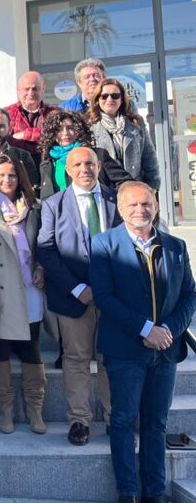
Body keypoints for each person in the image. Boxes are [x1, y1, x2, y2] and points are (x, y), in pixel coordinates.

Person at [91, 181, 196, 503]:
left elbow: (190, 294)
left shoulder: (176, 246)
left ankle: (155, 493)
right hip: (126, 350)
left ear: (157, 206)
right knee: (123, 420)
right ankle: (128, 492)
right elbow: (104, 297)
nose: (141, 210)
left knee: (156, 424)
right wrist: (145, 329)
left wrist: (167, 330)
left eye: (146, 204)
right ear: (121, 210)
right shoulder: (104, 244)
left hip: (166, 349)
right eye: (133, 205)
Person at [37, 146, 121, 446]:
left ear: (99, 166)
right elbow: (46, 250)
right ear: (68, 171)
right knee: (76, 360)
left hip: (115, 299)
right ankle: (80, 421)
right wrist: (77, 288)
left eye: (90, 163)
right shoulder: (53, 204)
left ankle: (116, 418)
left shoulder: (117, 199)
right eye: (78, 165)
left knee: (110, 359)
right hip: (74, 298)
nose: (85, 169)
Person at [0, 155, 47, 435]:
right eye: (1, 175)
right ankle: (5, 408)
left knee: (32, 347)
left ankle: (35, 409)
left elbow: (43, 244)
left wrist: (41, 267)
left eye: (12, 175)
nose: (7, 180)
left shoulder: (33, 206)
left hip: (30, 287)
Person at [38, 110, 129, 199]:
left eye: (70, 128)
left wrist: (110, 201)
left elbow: (126, 181)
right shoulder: (47, 163)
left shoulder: (98, 155)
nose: (65, 133)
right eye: (59, 129)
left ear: (79, 131)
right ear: (52, 134)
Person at [88, 78, 160, 190]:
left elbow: (149, 157)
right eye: (104, 96)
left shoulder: (136, 123)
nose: (109, 99)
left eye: (115, 95)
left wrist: (152, 187)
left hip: (135, 187)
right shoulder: (89, 126)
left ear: (122, 99)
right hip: (105, 190)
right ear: (97, 99)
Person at [6, 71, 57, 165]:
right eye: (26, 89)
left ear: (43, 90)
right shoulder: (7, 114)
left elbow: (58, 136)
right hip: (18, 166)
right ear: (18, 90)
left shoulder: (55, 113)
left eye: (35, 89)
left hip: (49, 165)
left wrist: (25, 134)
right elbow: (3, 140)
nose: (31, 93)